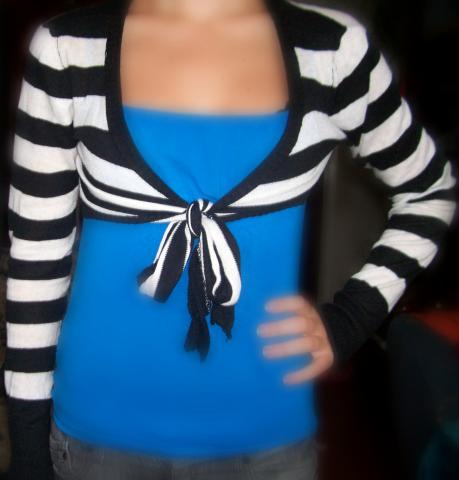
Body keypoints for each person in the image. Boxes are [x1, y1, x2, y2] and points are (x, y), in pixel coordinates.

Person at [4, 0, 456, 479]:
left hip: (266, 441)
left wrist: (349, 319)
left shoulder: (333, 52)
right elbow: (36, 258)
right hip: (96, 436)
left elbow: (429, 191)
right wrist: (29, 450)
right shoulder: (68, 49)